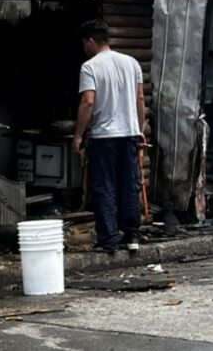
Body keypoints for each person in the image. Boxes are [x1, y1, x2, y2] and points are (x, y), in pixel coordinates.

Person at [73, 19, 146, 253]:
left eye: (85, 43)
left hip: (104, 137)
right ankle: (132, 236)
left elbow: (88, 101)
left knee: (104, 187)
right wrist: (140, 130)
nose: (84, 48)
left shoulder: (90, 67)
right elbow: (140, 99)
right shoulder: (132, 63)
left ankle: (109, 241)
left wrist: (78, 136)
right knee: (129, 185)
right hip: (129, 134)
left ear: (91, 41)